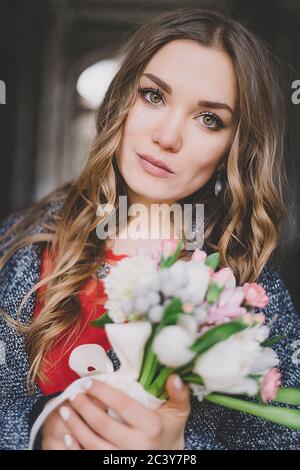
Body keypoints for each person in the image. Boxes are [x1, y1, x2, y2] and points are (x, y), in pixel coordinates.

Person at [0, 7, 300, 450]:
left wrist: (178, 451)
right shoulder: (23, 238)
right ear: (122, 98)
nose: (167, 135)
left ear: (235, 149)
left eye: (209, 119)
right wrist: (38, 429)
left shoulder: (251, 288)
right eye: (153, 96)